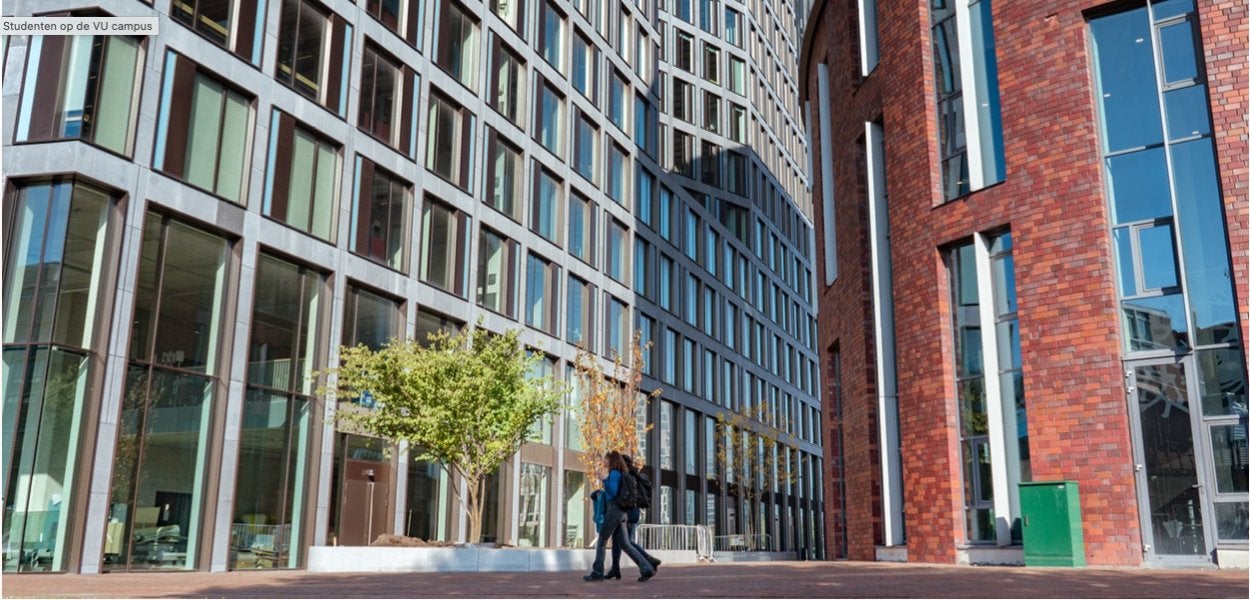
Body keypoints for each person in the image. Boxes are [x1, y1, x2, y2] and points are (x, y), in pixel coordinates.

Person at [584, 451, 657, 582]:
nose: (604, 461)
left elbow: (613, 492)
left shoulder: (614, 473)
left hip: (614, 511)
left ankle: (597, 572)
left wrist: (604, 479)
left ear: (611, 460)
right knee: (625, 543)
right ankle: (646, 568)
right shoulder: (622, 473)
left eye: (606, 459)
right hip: (622, 512)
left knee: (601, 541)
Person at [607, 455, 661, 579]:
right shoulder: (633, 474)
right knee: (618, 540)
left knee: (626, 542)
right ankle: (615, 569)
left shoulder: (626, 476)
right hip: (633, 511)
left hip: (627, 512)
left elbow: (623, 496)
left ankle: (648, 562)